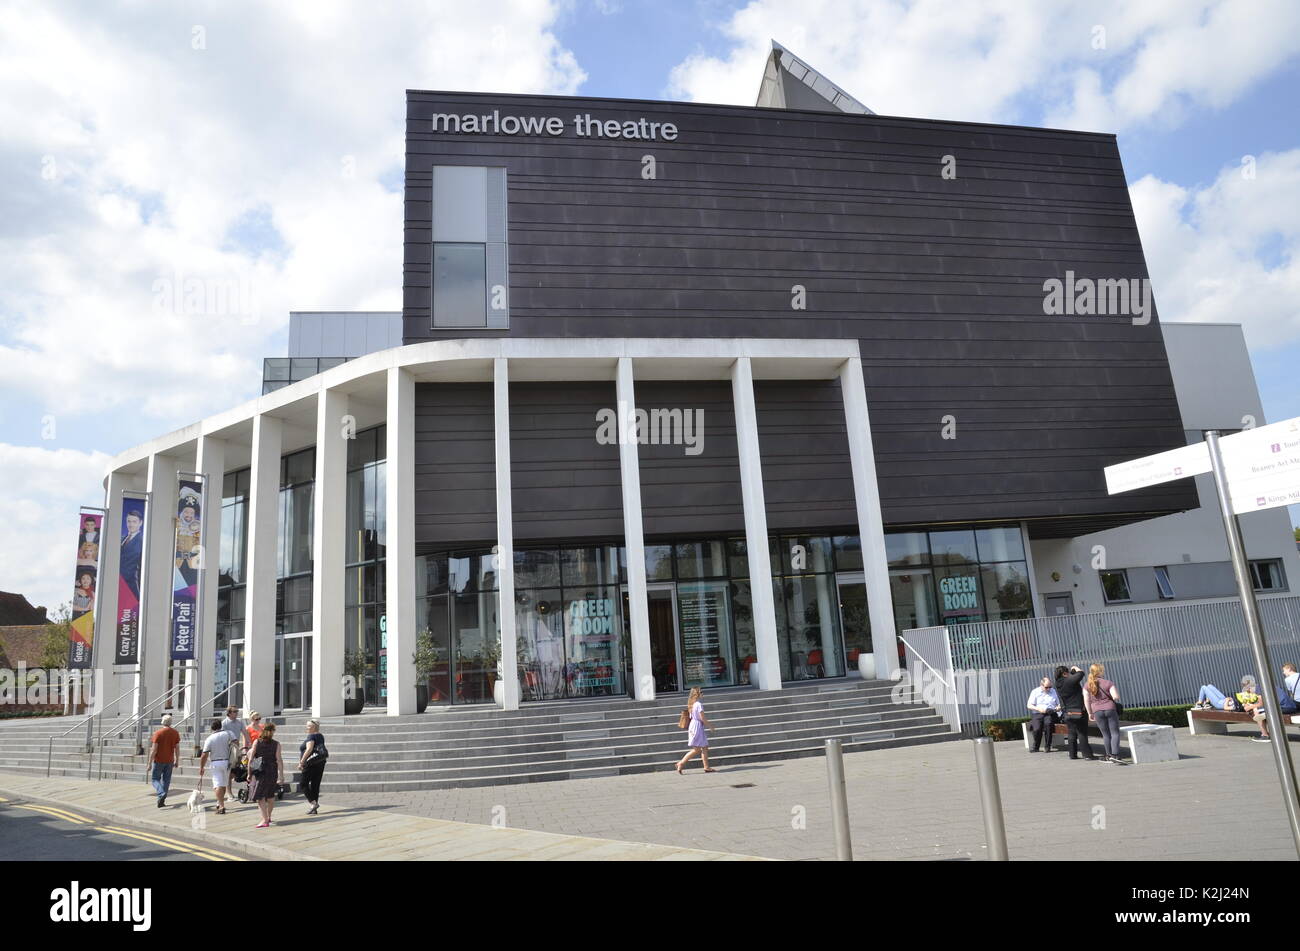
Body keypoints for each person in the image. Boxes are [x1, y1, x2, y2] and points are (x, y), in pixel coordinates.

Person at [1054, 665, 1097, 761]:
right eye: (1068, 672)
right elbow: (1081, 673)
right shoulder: (1068, 681)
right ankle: (1087, 755)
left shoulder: (1057, 684)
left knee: (1071, 733)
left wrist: (1072, 673)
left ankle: (1072, 754)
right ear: (1064, 673)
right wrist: (1076, 668)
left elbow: (1072, 679)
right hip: (1078, 711)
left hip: (1068, 712)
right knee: (1082, 733)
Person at [247, 722, 285, 828]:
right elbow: (279, 760)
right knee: (270, 795)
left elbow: (250, 759)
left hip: (261, 771)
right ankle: (268, 816)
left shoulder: (257, 742)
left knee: (260, 797)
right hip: (272, 771)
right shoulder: (276, 744)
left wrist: (249, 773)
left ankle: (264, 820)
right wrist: (281, 775)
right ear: (272, 732)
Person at [1084, 663, 1124, 764]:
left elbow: (1086, 700)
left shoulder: (1086, 685)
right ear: (1100, 671)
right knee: (1115, 733)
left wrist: (1090, 713)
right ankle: (1115, 754)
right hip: (1110, 709)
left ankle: (1108, 755)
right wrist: (1114, 696)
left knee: (1105, 734)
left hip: (1097, 711)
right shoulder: (1108, 683)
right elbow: (1115, 696)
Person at [674, 687, 716, 774]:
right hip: (697, 726)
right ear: (696, 694)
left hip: (693, 726)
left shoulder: (692, 704)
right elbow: (702, 718)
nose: (702, 693)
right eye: (701, 692)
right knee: (702, 748)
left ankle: (682, 764)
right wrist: (710, 726)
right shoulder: (698, 704)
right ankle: (682, 763)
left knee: (699, 749)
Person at [146, 713, 181, 807]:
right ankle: (161, 800)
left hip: (159, 760)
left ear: (162, 722)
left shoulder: (158, 733)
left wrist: (149, 763)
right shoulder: (175, 733)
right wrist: (177, 760)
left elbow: (154, 749)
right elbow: (177, 748)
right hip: (169, 760)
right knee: (166, 780)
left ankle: (161, 794)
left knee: (155, 779)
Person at [198, 720, 232, 814]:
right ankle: (219, 802)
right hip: (227, 762)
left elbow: (204, 755)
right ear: (221, 726)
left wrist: (201, 767)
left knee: (217, 785)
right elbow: (236, 743)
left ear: (212, 728)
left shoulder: (210, 738)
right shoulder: (228, 733)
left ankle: (221, 806)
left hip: (215, 763)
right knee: (223, 784)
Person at [298, 719, 328, 815]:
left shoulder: (311, 736)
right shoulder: (320, 735)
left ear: (313, 727)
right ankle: (314, 809)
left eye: (308, 726)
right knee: (315, 784)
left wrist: (301, 762)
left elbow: (309, 749)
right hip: (320, 762)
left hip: (310, 763)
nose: (306, 728)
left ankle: (313, 803)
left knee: (303, 783)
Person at [1026, 676, 1060, 752]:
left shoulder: (1053, 691)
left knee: (1048, 724)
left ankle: (1047, 746)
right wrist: (1038, 709)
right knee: (1037, 728)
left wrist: (1058, 707)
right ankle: (1036, 746)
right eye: (1046, 687)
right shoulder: (1035, 692)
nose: (1048, 689)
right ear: (1041, 685)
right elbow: (1029, 705)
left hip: (1050, 712)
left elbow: (1058, 703)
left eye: (1050, 687)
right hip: (1038, 713)